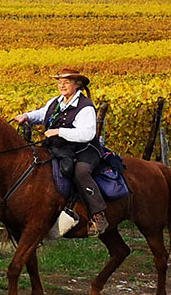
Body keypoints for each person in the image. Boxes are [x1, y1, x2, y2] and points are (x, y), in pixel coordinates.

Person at [11, 68, 108, 232]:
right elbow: (43, 114)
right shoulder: (56, 102)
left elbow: (87, 133)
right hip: (61, 149)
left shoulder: (85, 106)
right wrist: (26, 116)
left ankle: (98, 216)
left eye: (66, 82)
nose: (62, 85)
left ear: (77, 85)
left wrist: (59, 132)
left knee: (80, 172)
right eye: (60, 82)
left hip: (84, 150)